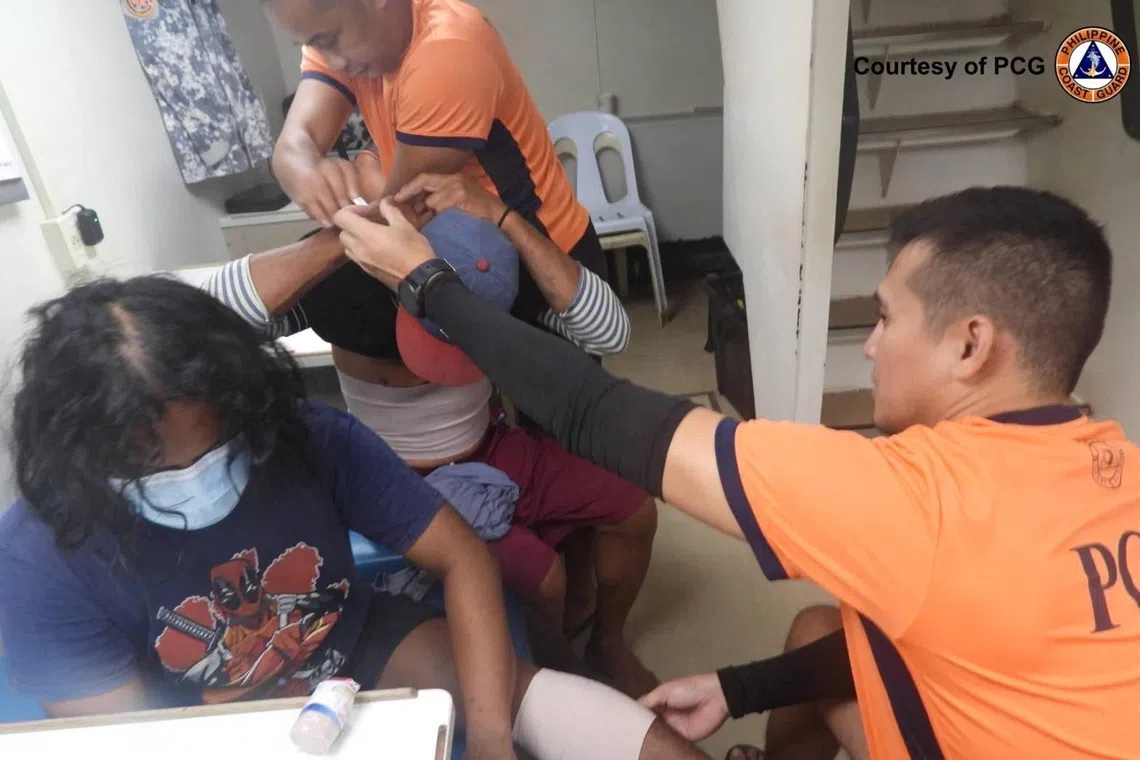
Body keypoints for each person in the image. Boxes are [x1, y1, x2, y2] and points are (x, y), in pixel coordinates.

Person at [329, 185, 1140, 759]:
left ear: (971, 344)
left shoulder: (915, 500)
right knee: (827, 631)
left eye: (888, 317)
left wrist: (423, 280)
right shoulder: (1118, 469)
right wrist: (740, 689)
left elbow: (596, 411)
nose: (868, 343)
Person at [0, 276, 710, 760]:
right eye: (156, 469)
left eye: (217, 449)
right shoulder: (42, 555)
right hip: (197, 714)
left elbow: (462, 557)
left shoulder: (303, 435)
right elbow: (134, 742)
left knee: (543, 704)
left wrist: (493, 740)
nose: (198, 479)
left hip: (351, 645)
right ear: (85, 458)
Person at [202, 153, 659, 698]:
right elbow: (205, 316)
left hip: (494, 446)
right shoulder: (342, 276)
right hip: (396, 476)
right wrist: (345, 237)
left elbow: (610, 333)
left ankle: (608, 642)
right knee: (547, 579)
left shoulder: (478, 251)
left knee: (634, 508)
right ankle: (556, 671)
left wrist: (506, 219)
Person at [261, 0, 608, 343]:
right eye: (313, 44)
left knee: (557, 392)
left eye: (331, 38)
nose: (333, 60)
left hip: (540, 251)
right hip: (461, 247)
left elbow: (399, 211)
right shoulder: (347, 34)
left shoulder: (448, 52)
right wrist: (303, 169)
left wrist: (294, 283)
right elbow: (293, 145)